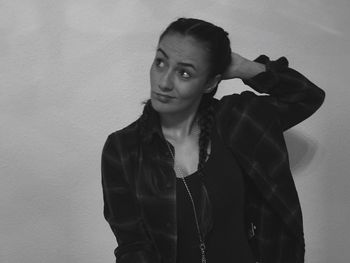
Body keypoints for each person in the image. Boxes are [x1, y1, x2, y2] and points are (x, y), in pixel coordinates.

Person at [101, 17, 325, 263]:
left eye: (184, 72)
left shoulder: (238, 120)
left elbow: (306, 96)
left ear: (210, 83)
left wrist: (243, 66)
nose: (163, 82)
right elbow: (132, 244)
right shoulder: (123, 148)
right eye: (160, 62)